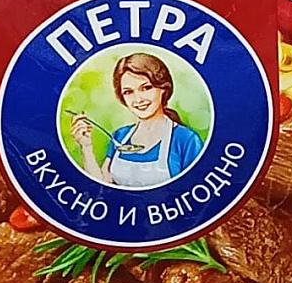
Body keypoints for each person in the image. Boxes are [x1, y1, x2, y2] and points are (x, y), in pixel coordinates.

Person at [71, 53, 204, 187]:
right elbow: (102, 186)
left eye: (146, 88)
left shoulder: (186, 140)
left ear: (163, 88)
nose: (138, 99)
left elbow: (193, 190)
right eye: (128, 92)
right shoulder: (120, 136)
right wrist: (86, 147)